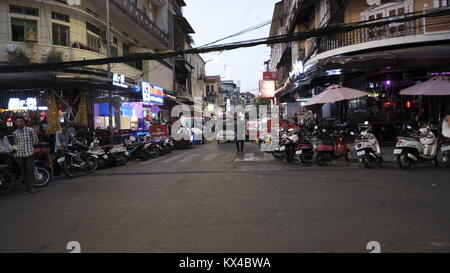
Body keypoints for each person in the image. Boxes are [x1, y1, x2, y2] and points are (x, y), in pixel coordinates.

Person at [13, 116, 39, 193]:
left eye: (21, 121)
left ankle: (32, 187)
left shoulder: (30, 130)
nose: (20, 123)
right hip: (20, 154)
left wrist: (30, 146)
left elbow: (35, 141)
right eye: (18, 121)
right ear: (16, 123)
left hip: (29, 153)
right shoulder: (15, 133)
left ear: (24, 122)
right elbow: (16, 143)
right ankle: (27, 186)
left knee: (30, 170)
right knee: (23, 171)